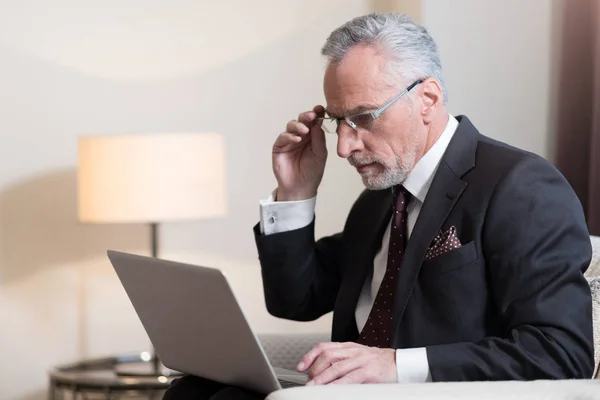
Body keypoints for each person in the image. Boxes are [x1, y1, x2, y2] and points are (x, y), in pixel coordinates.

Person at [164, 12, 595, 399]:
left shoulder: (521, 186)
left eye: (364, 118)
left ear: (427, 98)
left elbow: (561, 353)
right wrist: (295, 194)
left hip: (434, 396)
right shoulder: (381, 200)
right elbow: (295, 301)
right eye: (338, 122)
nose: (344, 147)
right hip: (344, 395)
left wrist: (395, 366)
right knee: (192, 391)